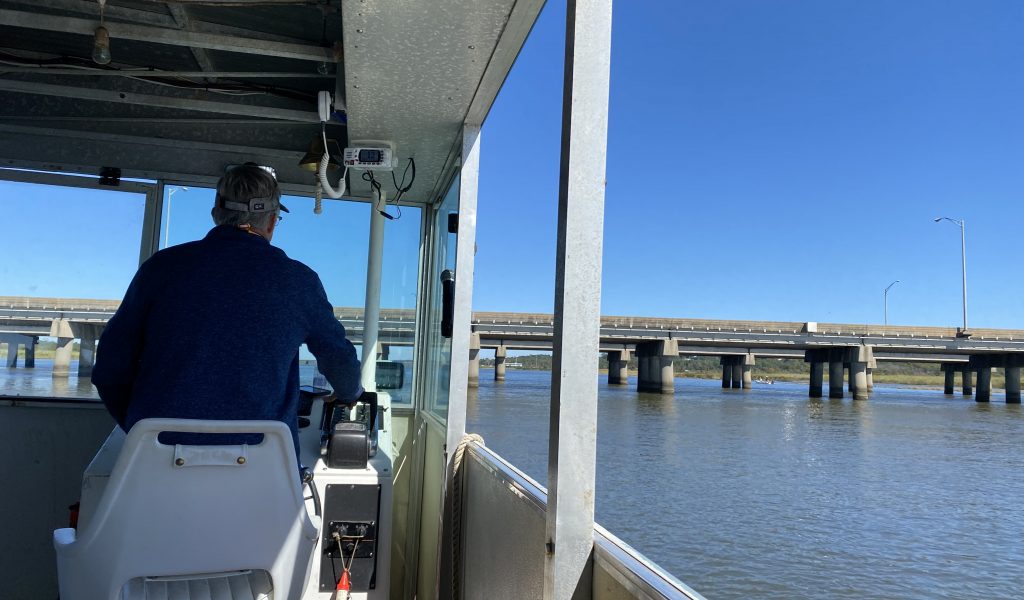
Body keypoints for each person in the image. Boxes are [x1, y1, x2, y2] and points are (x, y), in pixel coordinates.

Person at [92, 163, 362, 458]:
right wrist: (350, 394)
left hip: (156, 459)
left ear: (216, 215)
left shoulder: (161, 268)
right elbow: (339, 358)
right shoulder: (298, 280)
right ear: (271, 222)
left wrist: (139, 428)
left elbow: (109, 369)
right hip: (261, 465)